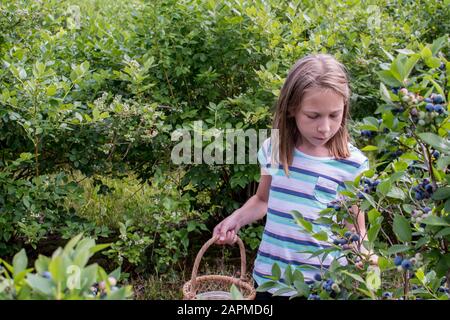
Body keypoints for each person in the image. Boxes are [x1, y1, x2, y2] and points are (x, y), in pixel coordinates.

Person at [213, 54, 376, 300]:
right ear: (292, 109)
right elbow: (262, 200)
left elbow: (354, 230)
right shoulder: (274, 149)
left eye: (334, 115)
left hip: (322, 286)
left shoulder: (352, 165)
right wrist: (235, 219)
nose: (325, 127)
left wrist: (366, 259)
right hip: (270, 281)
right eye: (313, 116)